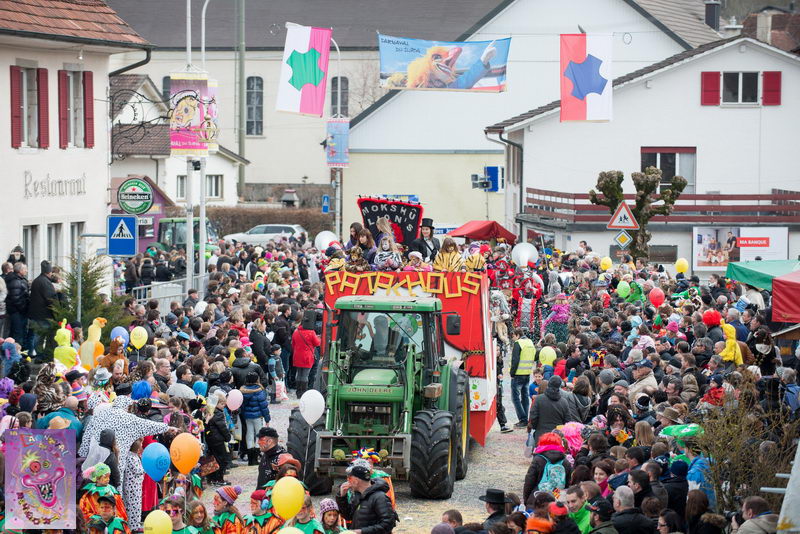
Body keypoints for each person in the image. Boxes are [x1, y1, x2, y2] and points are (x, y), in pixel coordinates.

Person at [335, 464, 396, 534]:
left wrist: (361, 531)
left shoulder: (380, 497)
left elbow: (388, 524)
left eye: (349, 478)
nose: (347, 481)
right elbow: (348, 516)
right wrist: (342, 497)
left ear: (356, 481)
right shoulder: (358, 495)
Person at [528, 376, 572, 445]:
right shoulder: (564, 402)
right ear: (560, 386)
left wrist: (536, 427)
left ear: (549, 384)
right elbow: (568, 421)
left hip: (541, 435)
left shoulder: (539, 399)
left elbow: (533, 417)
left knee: (533, 448)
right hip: (557, 437)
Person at [240, 372, 271, 466]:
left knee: (249, 435)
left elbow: (241, 405)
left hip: (247, 416)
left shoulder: (243, 391)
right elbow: (263, 406)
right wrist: (267, 419)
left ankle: (250, 459)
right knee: (259, 435)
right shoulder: (260, 391)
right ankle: (256, 457)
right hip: (258, 416)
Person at [28, 260, 57, 356]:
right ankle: (41, 356)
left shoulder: (37, 280)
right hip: (44, 315)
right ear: (49, 272)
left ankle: (39, 355)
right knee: (42, 336)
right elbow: (51, 299)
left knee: (37, 336)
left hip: (35, 314)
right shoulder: (46, 283)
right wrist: (56, 311)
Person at [509, 328, 535, 427]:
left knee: (515, 398)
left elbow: (515, 359)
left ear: (517, 335)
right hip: (527, 373)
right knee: (525, 397)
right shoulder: (530, 342)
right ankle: (525, 418)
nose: (513, 339)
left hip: (518, 374)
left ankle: (522, 419)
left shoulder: (518, 343)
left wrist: (512, 373)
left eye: (513, 336)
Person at [291, 318, 321, 398]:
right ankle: (303, 393)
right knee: (305, 375)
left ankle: (298, 393)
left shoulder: (296, 332)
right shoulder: (311, 332)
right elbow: (317, 343)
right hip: (307, 356)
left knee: (299, 374)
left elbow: (293, 344)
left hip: (297, 356)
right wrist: (318, 338)